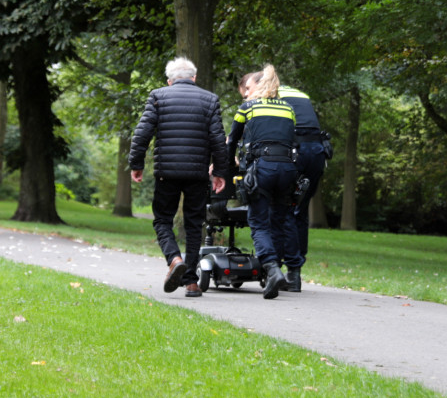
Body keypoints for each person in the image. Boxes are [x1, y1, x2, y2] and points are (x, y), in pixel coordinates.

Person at [130, 57, 227, 298]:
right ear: (194, 78)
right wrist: (220, 172)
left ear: (169, 81)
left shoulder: (158, 96)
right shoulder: (210, 99)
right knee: (194, 225)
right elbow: (218, 140)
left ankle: (174, 259)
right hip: (197, 173)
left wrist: (137, 164)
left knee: (162, 219)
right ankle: (192, 282)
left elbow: (142, 133)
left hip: (167, 172)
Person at [240, 70, 330, 292]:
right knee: (298, 210)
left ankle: (275, 269)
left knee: (278, 213)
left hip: (291, 154)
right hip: (316, 152)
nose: (247, 97)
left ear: (260, 85)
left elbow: (257, 135)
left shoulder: (269, 98)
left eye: (247, 92)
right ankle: (294, 273)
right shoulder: (300, 94)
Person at [228, 64, 302, 299]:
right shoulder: (289, 109)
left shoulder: (247, 108)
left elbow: (231, 143)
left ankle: (271, 268)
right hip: (287, 170)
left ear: (258, 86)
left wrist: (226, 167)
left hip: (261, 170)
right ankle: (276, 270)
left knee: (258, 222)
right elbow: (292, 139)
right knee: (278, 222)